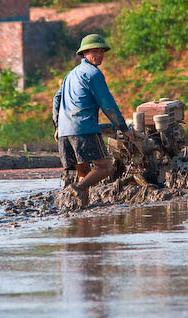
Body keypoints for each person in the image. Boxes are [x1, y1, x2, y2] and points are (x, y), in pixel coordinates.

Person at [52, 34, 133, 207]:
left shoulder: (70, 75)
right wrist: (123, 128)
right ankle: (79, 188)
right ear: (85, 53)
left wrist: (58, 126)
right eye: (94, 51)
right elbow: (107, 104)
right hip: (84, 129)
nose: (100, 55)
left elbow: (56, 99)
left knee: (84, 171)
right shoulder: (93, 74)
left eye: (102, 51)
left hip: (66, 133)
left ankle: (83, 207)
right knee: (106, 168)